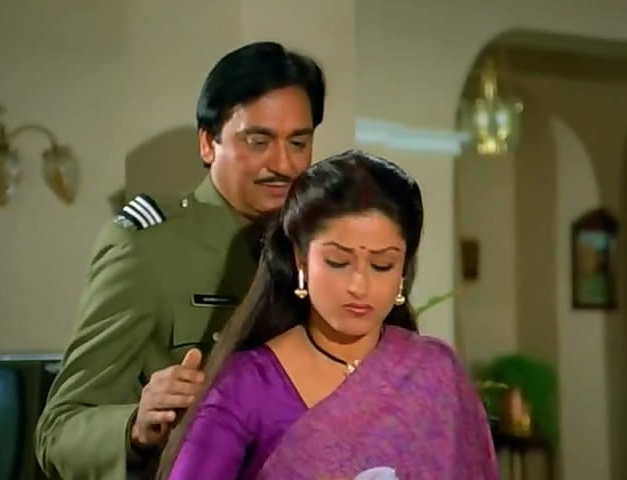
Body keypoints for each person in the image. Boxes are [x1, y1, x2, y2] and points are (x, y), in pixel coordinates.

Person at [34, 41, 325, 480]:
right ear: (208, 143)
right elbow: (58, 431)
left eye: (298, 142)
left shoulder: (323, 248)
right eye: (258, 141)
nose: (284, 164)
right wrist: (136, 427)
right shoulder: (147, 248)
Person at [157, 150, 499, 480]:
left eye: (382, 265)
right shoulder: (247, 386)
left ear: (403, 268)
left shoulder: (435, 373)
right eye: (338, 262)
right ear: (301, 260)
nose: (359, 286)